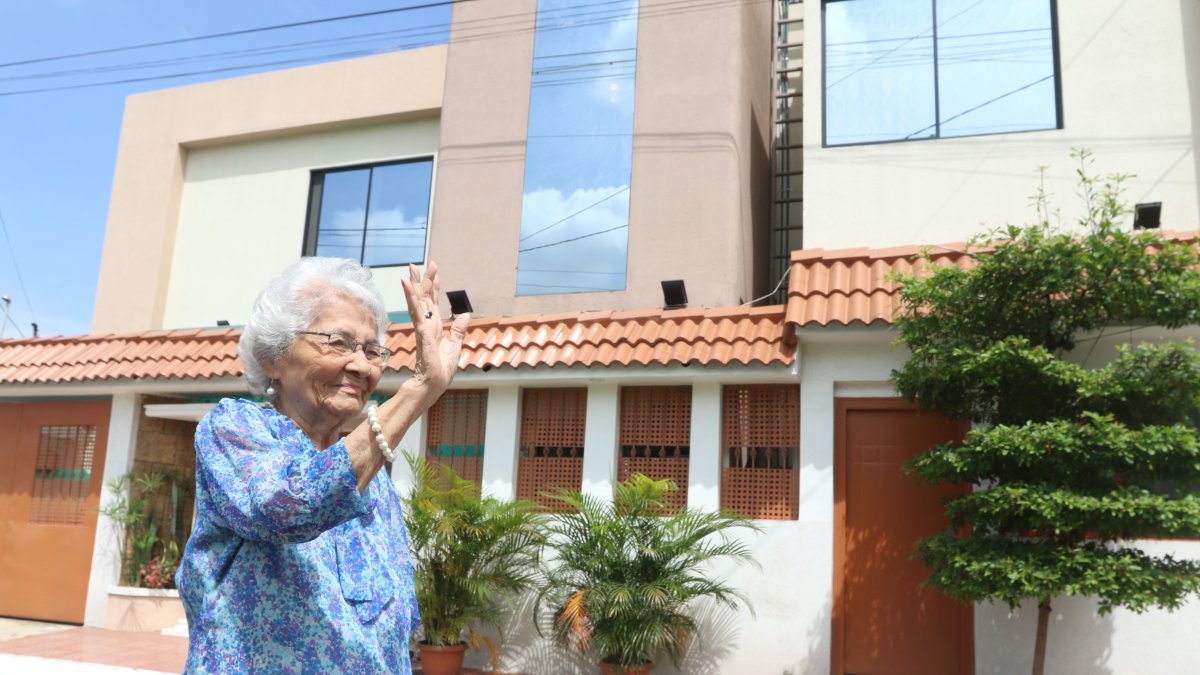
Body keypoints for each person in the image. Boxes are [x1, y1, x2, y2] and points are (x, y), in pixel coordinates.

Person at [175, 257, 469, 673]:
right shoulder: (235, 428)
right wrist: (422, 387)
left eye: (372, 350)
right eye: (339, 342)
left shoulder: (371, 474)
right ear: (274, 356)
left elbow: (398, 611)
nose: (361, 365)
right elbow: (289, 505)